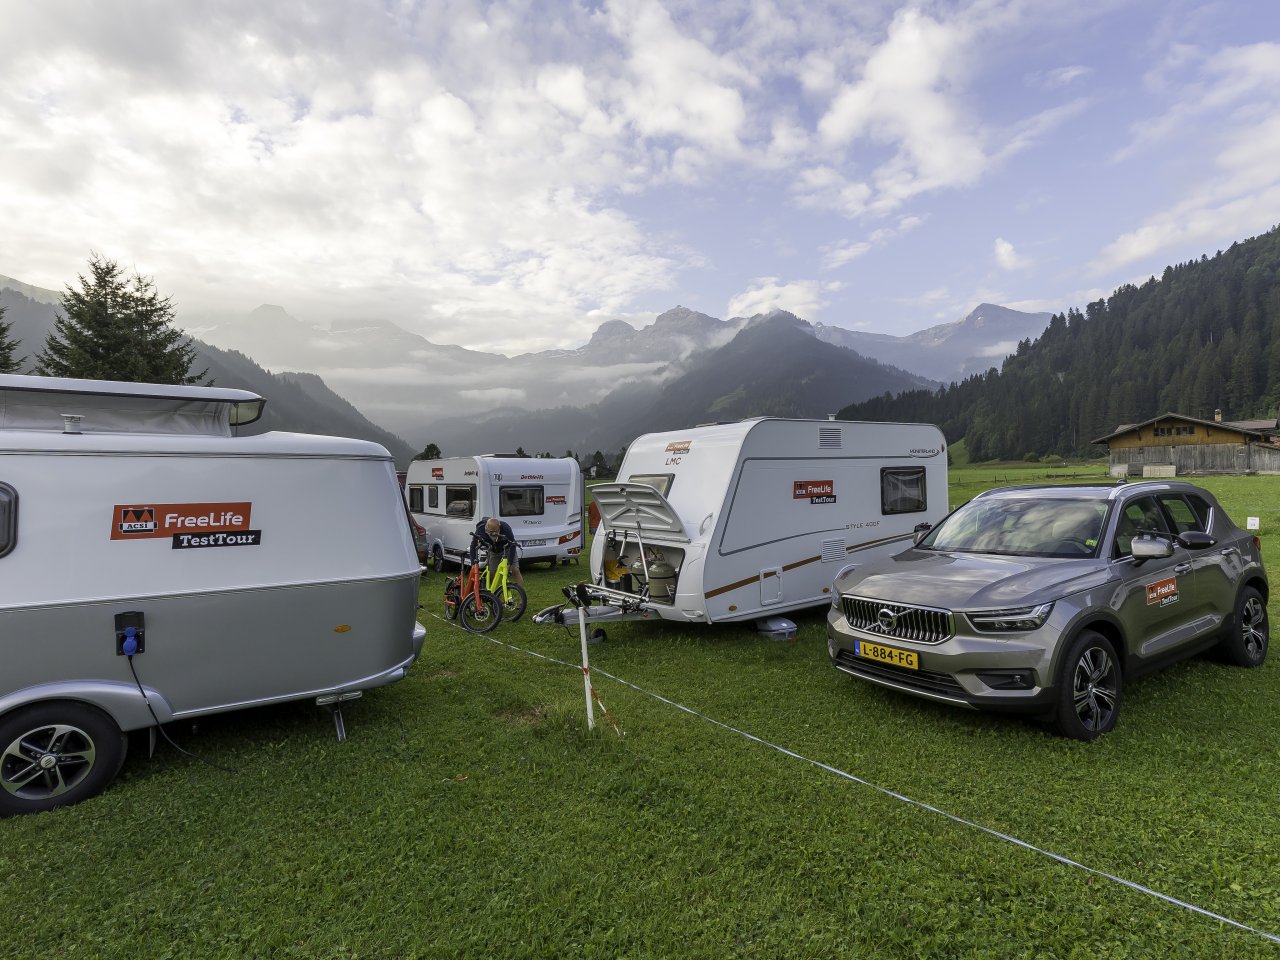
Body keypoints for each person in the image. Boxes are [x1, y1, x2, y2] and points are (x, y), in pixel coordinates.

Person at [470, 516, 524, 587]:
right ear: (486, 527)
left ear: (499, 526)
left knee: (515, 570)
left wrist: (509, 563)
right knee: (492, 573)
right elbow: (473, 546)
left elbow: (512, 544)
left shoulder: (506, 528)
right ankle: (495, 595)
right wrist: (473, 563)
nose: (494, 534)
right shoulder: (480, 530)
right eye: (491, 532)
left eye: (496, 531)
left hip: (507, 549)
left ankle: (521, 591)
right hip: (493, 551)